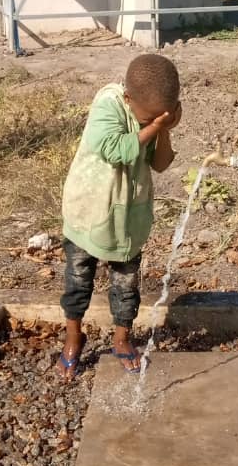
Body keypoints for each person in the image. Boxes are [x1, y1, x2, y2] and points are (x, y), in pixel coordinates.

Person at [56, 53, 182, 380]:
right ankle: (73, 337)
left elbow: (161, 163)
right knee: (78, 280)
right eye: (147, 117)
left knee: (126, 285)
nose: (150, 122)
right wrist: (154, 125)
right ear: (129, 98)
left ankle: (122, 338)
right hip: (89, 212)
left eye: (160, 117)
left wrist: (162, 130)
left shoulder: (155, 118)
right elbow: (115, 149)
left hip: (128, 219)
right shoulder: (108, 104)